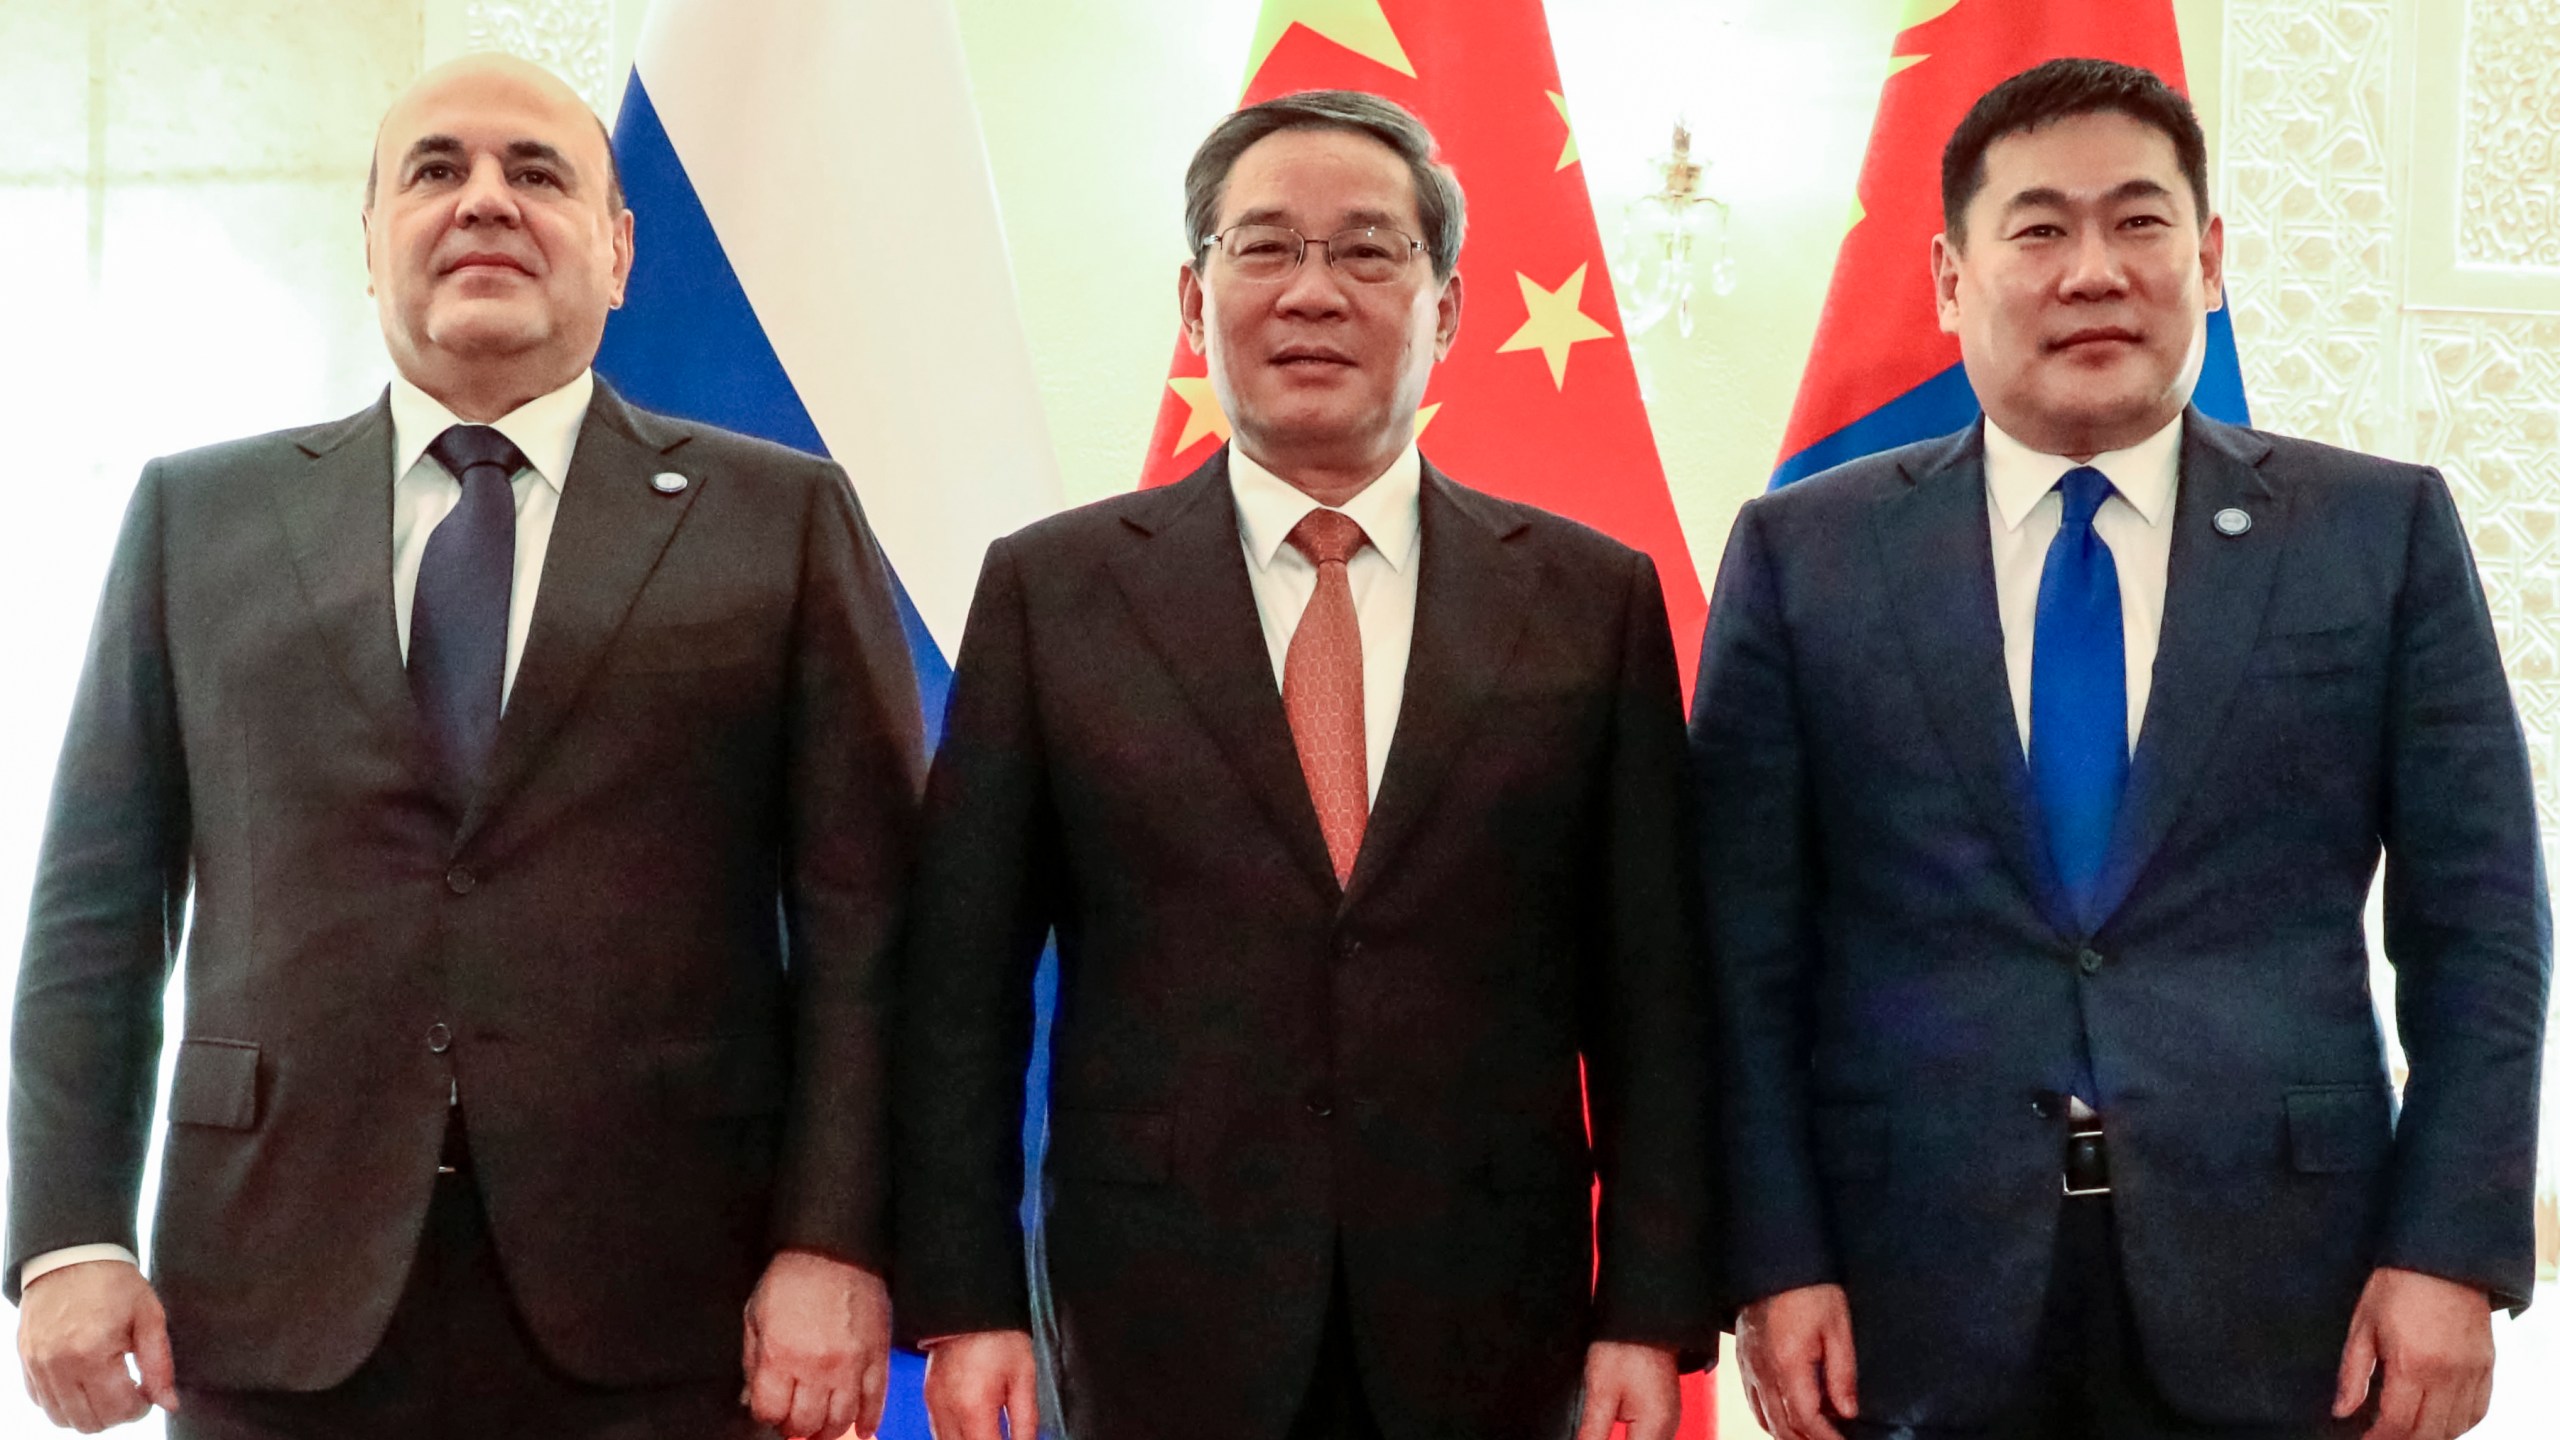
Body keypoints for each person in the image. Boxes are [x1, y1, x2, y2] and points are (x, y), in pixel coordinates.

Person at [6, 54, 922, 1440]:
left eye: (537, 172)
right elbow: (95, 909)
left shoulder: (779, 521)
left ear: (618, 254)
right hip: (270, 1299)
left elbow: (869, 927)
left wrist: (835, 1244)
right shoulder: (201, 518)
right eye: (436, 171)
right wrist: (67, 1237)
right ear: (371, 247)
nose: (484, 202)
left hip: (668, 1302)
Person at [1692, 57, 2549, 1440]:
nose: (2095, 269)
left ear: (2208, 261)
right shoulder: (1807, 555)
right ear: (1948, 280)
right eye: (2038, 229)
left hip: (2294, 1290)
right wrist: (1774, 1259)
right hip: (1912, 1285)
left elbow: (2486, 927)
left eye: (2141, 223)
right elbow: (1738, 951)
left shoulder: (2374, 535)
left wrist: (2450, 1250)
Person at [893, 90, 1715, 1440]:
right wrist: (967, 1301)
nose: (1312, 293)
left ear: (1447, 308)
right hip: (1154, 1306)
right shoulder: (1056, 593)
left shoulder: (1588, 599)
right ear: (1193, 295)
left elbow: (1654, 1001)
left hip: (1491, 1311)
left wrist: (1649, 1313)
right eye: (1264, 248)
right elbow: (958, 992)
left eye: (1368, 251)